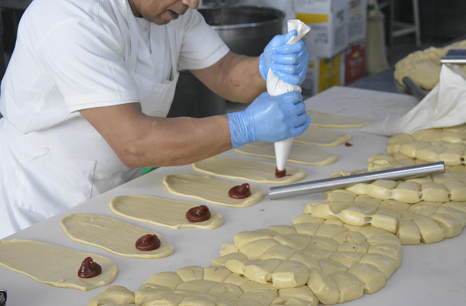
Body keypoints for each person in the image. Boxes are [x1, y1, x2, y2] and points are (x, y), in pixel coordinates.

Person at [0, 0, 310, 239]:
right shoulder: (70, 17)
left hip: (124, 188)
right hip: (48, 196)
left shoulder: (172, 11)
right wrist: (246, 126)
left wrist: (266, 68)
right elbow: (135, 143)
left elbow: (226, 74)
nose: (193, 3)